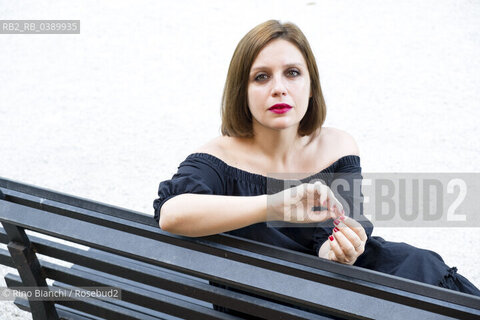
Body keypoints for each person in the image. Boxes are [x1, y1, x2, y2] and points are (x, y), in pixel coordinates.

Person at [153, 19, 480, 311]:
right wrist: (272, 205)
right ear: (243, 92)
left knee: (425, 273)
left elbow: (335, 235)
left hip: (351, 289)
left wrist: (338, 251)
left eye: (292, 73)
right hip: (271, 301)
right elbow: (173, 213)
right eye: (261, 76)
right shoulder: (218, 156)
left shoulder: (336, 145)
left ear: (311, 87)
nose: (279, 87)